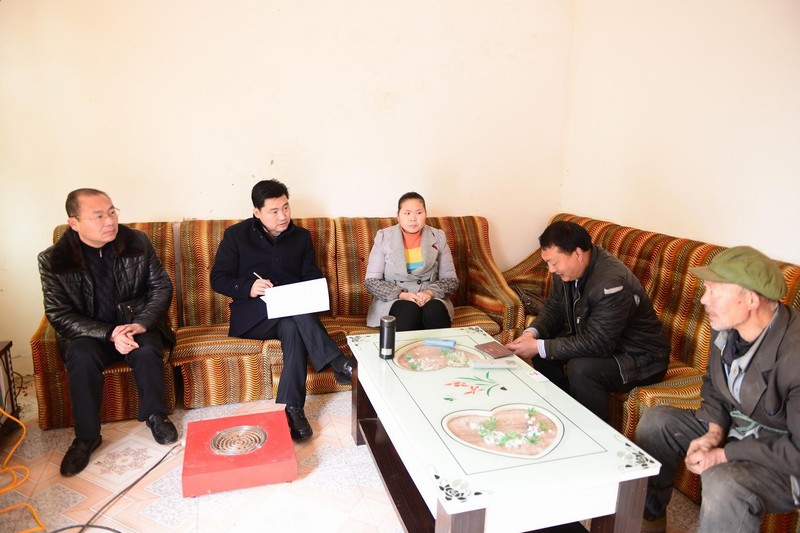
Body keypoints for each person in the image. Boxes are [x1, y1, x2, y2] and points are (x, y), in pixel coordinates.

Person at [636, 246, 800, 533]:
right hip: (741, 426)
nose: (703, 299)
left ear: (751, 299)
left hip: (785, 453)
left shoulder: (794, 355)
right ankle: (649, 520)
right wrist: (714, 432)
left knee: (723, 481)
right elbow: (714, 383)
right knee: (656, 422)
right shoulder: (727, 324)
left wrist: (724, 454)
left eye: (714, 291)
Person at [38, 188, 178, 477]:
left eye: (112, 212)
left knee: (147, 347)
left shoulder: (136, 242)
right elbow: (59, 314)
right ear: (74, 223)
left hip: (134, 323)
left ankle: (155, 414)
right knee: (80, 356)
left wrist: (141, 323)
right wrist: (110, 333)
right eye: (98, 216)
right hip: (91, 335)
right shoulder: (54, 259)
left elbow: (161, 287)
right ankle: (87, 436)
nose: (110, 221)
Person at [210, 179, 353, 442]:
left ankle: (293, 409)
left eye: (286, 207)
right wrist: (248, 286)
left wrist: (311, 288)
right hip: (254, 317)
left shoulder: (301, 237)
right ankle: (337, 362)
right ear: (257, 212)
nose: (283, 216)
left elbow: (310, 273)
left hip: (290, 315)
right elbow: (218, 278)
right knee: (293, 312)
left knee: (292, 326)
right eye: (274, 211)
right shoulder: (236, 235)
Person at [505, 220, 670, 421]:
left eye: (554, 263)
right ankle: (561, 410)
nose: (550, 269)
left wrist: (539, 346)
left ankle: (592, 429)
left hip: (640, 358)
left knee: (581, 368)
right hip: (607, 343)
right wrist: (532, 334)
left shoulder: (610, 283)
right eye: (547, 262)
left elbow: (599, 343)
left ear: (577, 253)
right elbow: (554, 308)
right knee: (542, 345)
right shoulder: (566, 272)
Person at [365, 192, 458, 331]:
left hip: (429, 297)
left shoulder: (438, 237)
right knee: (408, 311)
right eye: (407, 213)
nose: (413, 218)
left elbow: (450, 280)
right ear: (398, 215)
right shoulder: (383, 237)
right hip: (395, 299)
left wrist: (429, 293)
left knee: (434, 311)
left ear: (425, 214)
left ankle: (439, 346)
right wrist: (402, 294)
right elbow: (372, 281)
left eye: (419, 213)